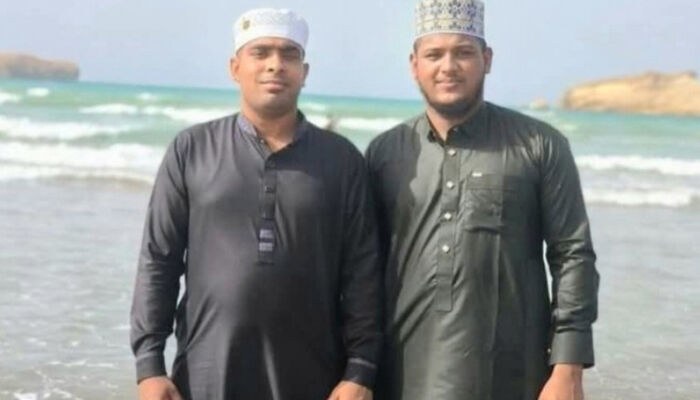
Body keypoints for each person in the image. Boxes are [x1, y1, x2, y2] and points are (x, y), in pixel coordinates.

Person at [130, 8, 381, 400]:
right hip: (206, 373)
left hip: (313, 377)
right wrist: (149, 366)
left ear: (304, 72)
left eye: (288, 54)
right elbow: (159, 259)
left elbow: (363, 272)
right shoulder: (191, 150)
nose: (275, 65)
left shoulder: (342, 160)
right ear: (235, 68)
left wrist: (360, 371)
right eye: (260, 52)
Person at [365, 1, 600, 399]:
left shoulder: (540, 145)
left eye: (463, 52)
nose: (448, 67)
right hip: (402, 376)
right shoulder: (384, 152)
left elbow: (572, 254)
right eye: (434, 55)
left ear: (486, 59)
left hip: (512, 375)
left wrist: (568, 368)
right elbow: (363, 269)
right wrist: (359, 371)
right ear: (414, 65)